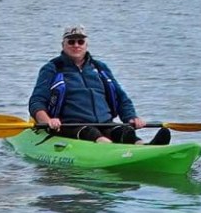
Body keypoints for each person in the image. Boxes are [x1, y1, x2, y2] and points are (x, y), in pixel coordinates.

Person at [28, 25, 170, 145]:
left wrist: (131, 117)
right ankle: (114, 151)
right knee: (93, 133)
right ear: (63, 45)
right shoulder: (52, 68)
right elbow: (37, 101)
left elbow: (121, 97)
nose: (76, 45)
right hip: (70, 124)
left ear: (86, 45)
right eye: (71, 42)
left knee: (125, 132)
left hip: (104, 122)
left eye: (80, 41)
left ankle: (146, 147)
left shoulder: (100, 68)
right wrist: (47, 121)